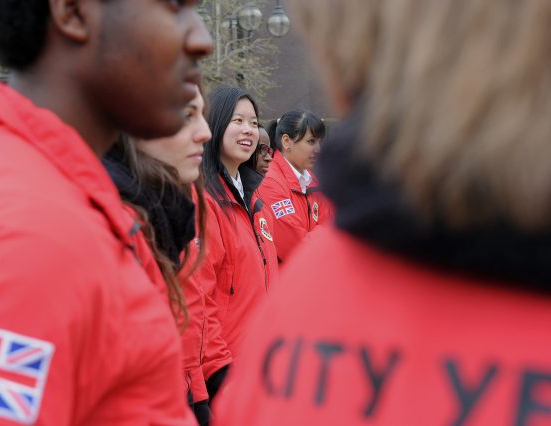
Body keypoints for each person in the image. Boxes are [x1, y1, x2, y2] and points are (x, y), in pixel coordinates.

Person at [214, 0, 551, 424]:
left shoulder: (311, 281)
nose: (317, 148)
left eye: (252, 122)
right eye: (237, 123)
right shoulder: (282, 217)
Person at [0, 0, 212, 424]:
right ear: (72, 12)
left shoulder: (54, 191)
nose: (202, 39)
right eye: (172, 8)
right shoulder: (17, 226)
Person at [102, 85, 221, 426]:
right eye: (186, 116)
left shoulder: (168, 213)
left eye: (203, 115)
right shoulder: (116, 230)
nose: (205, 133)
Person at [198, 86, 278, 403]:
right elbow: (198, 298)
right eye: (237, 120)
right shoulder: (205, 201)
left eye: (253, 122)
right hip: (225, 376)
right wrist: (221, 373)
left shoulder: (255, 199)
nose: (248, 130)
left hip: (262, 365)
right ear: (216, 125)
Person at [257, 109, 332, 263]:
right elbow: (296, 248)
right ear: (286, 142)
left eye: (319, 142)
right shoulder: (269, 181)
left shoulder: (311, 178)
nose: (318, 149)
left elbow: (333, 226)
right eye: (311, 141)